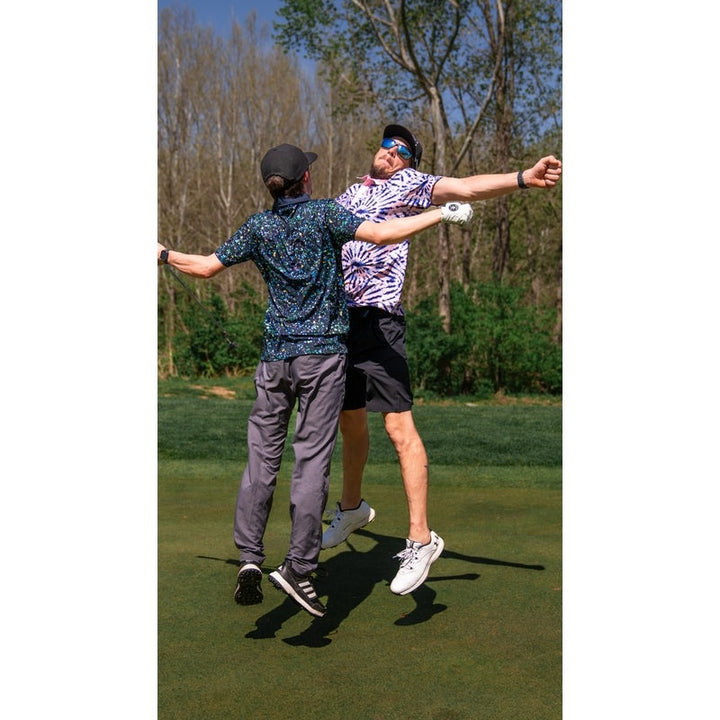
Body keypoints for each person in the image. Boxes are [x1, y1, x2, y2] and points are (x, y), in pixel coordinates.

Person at [157, 143, 473, 617]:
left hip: (274, 363)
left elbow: (204, 267)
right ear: (304, 179)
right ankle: (300, 568)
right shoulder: (325, 214)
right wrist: (439, 214)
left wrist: (162, 254)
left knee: (261, 461)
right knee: (310, 462)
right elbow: (383, 235)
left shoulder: (258, 227)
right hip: (322, 359)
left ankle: (249, 557)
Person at [321, 124, 562, 596]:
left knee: (398, 429)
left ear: (409, 163)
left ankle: (421, 538)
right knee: (350, 422)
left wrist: (522, 178)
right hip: (343, 321)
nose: (391, 154)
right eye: (387, 146)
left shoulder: (410, 184)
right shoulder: (350, 194)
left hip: (381, 322)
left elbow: (466, 187)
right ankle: (351, 509)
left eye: (402, 151)